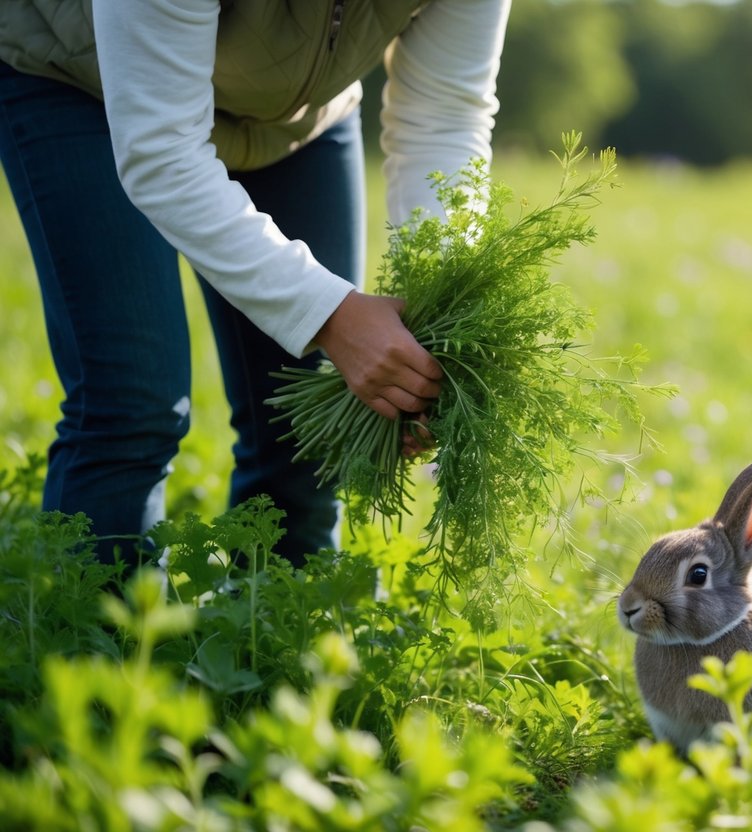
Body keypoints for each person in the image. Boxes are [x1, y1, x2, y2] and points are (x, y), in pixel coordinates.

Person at [0, 0, 510, 566]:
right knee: (131, 401)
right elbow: (162, 152)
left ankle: (278, 641)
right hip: (81, 76)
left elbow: (443, 119)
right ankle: (100, 642)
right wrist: (329, 313)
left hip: (293, 116)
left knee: (304, 429)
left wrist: (432, 330)